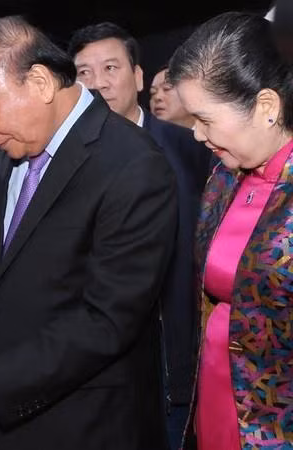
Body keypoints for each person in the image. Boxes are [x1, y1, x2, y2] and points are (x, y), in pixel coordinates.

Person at [0, 16, 176, 450]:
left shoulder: (133, 165)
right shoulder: (14, 147)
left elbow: (107, 320)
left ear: (41, 83)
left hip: (83, 424)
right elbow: (14, 258)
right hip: (5, 420)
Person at [68, 22, 214, 446]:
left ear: (138, 76)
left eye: (111, 68)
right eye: (84, 73)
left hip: (172, 358)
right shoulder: (59, 161)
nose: (98, 83)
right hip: (91, 369)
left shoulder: (192, 149)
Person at [167, 12, 293, 449]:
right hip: (217, 397)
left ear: (266, 107)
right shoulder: (223, 174)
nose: (197, 134)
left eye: (205, 118)